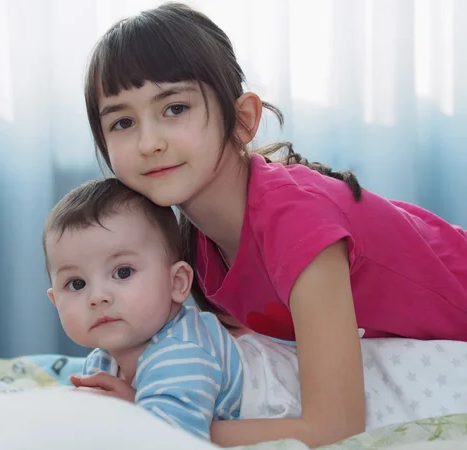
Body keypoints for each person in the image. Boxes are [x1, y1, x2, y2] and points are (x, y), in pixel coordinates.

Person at [80, 2, 467, 447]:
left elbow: (334, 427)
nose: (149, 142)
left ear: (243, 120)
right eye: (123, 121)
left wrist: (154, 421)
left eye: (175, 108)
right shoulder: (197, 246)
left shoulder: (296, 223)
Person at [42, 178, 245, 441]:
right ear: (55, 301)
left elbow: (170, 441)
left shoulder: (182, 353)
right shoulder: (103, 361)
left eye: (123, 272)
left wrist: (134, 411)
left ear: (177, 282)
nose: (97, 297)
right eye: (76, 283)